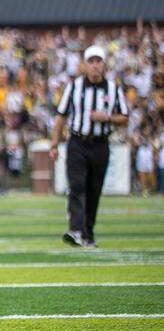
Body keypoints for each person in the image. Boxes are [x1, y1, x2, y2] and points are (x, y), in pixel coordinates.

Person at [50, 45, 129, 248]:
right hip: (77, 142)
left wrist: (108, 118)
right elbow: (60, 117)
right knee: (76, 186)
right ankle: (75, 229)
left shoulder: (114, 88)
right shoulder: (74, 87)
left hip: (100, 144)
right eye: (91, 61)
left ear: (104, 65)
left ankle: (87, 233)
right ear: (85, 65)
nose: (95, 66)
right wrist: (54, 144)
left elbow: (125, 118)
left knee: (94, 191)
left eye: (98, 61)